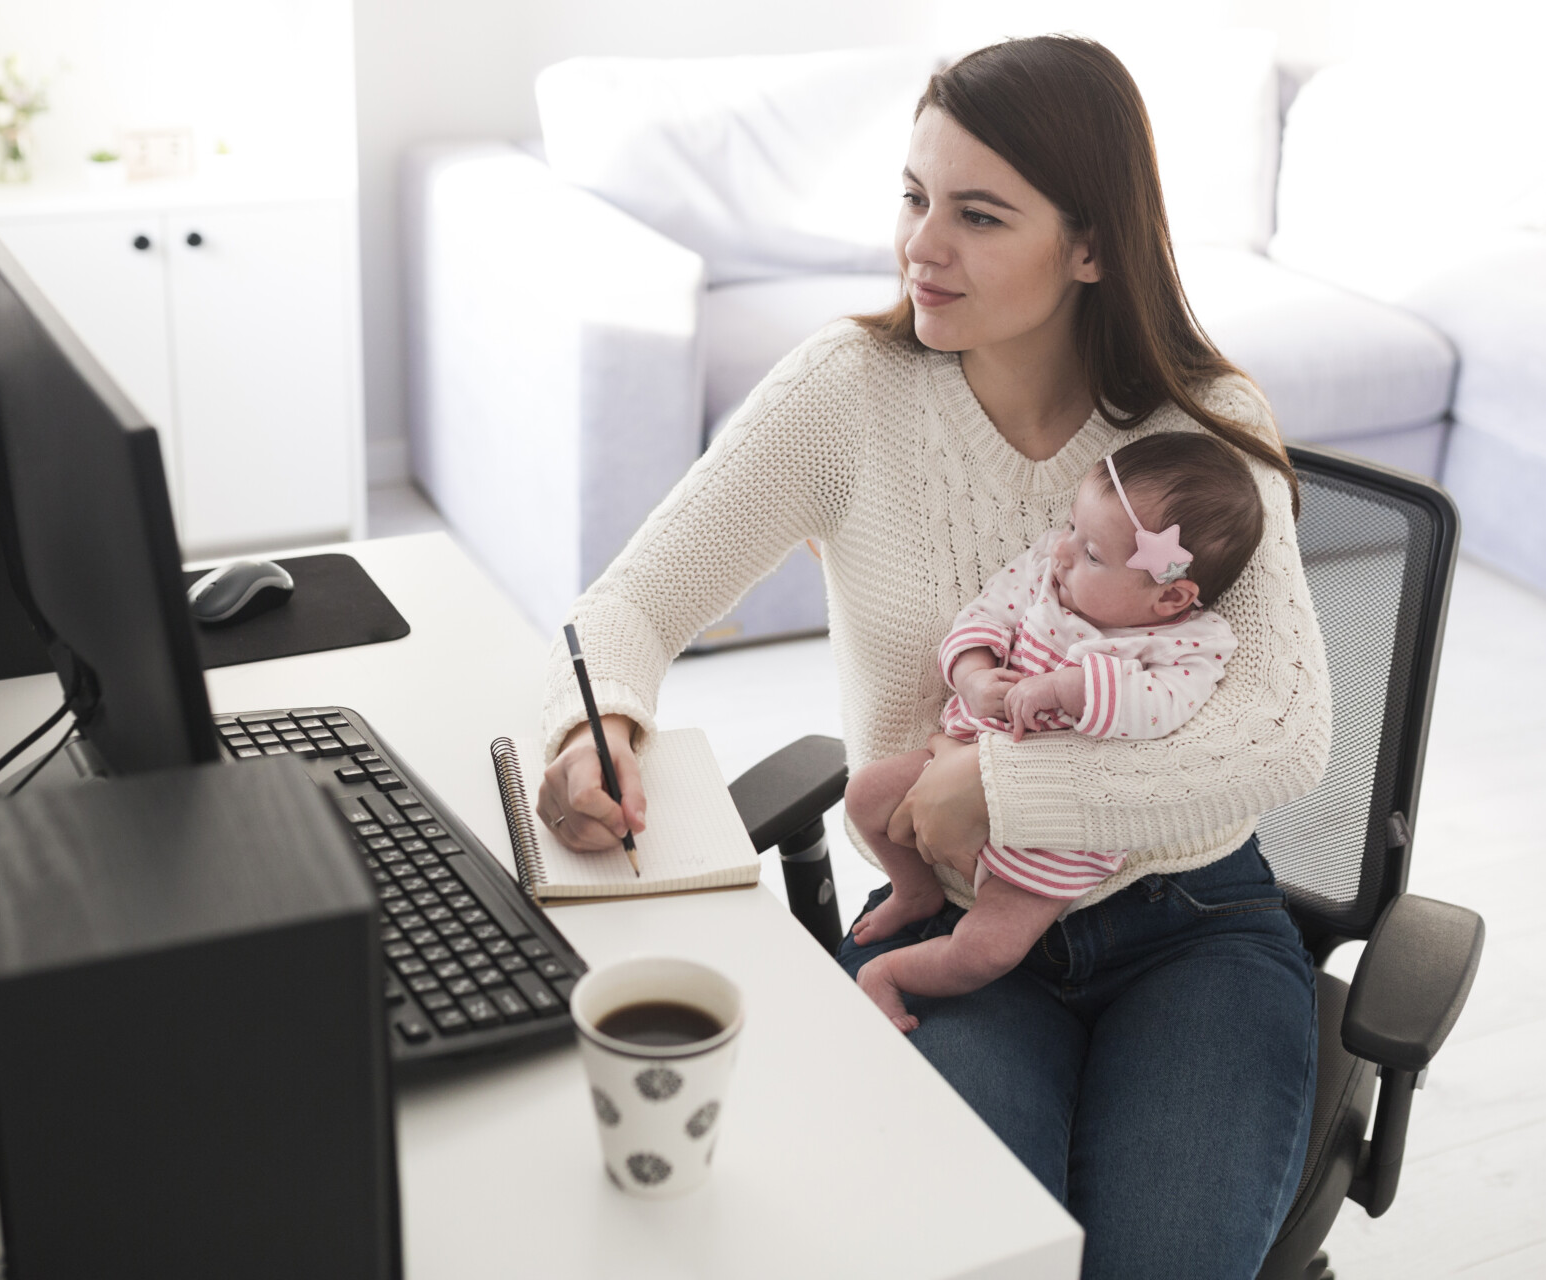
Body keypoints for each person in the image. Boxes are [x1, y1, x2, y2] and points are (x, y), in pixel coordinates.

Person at [537, 35, 1331, 1279]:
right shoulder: (848, 392)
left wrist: (1005, 786)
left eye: (978, 213)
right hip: (944, 918)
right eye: (914, 196)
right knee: (969, 1257)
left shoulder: (1207, 428)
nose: (923, 244)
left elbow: (1283, 728)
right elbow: (626, 606)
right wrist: (597, 729)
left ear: (1092, 246)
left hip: (1188, 922)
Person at [846, 433, 1263, 1034]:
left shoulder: (1185, 644)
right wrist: (973, 676)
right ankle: (914, 891)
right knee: (864, 796)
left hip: (1060, 837)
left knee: (987, 950)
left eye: (1092, 552)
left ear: (1171, 595)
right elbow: (983, 615)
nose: (1062, 551)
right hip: (958, 756)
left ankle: (887, 974)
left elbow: (1164, 710)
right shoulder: (1046, 574)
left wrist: (1072, 688)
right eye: (1072, 526)